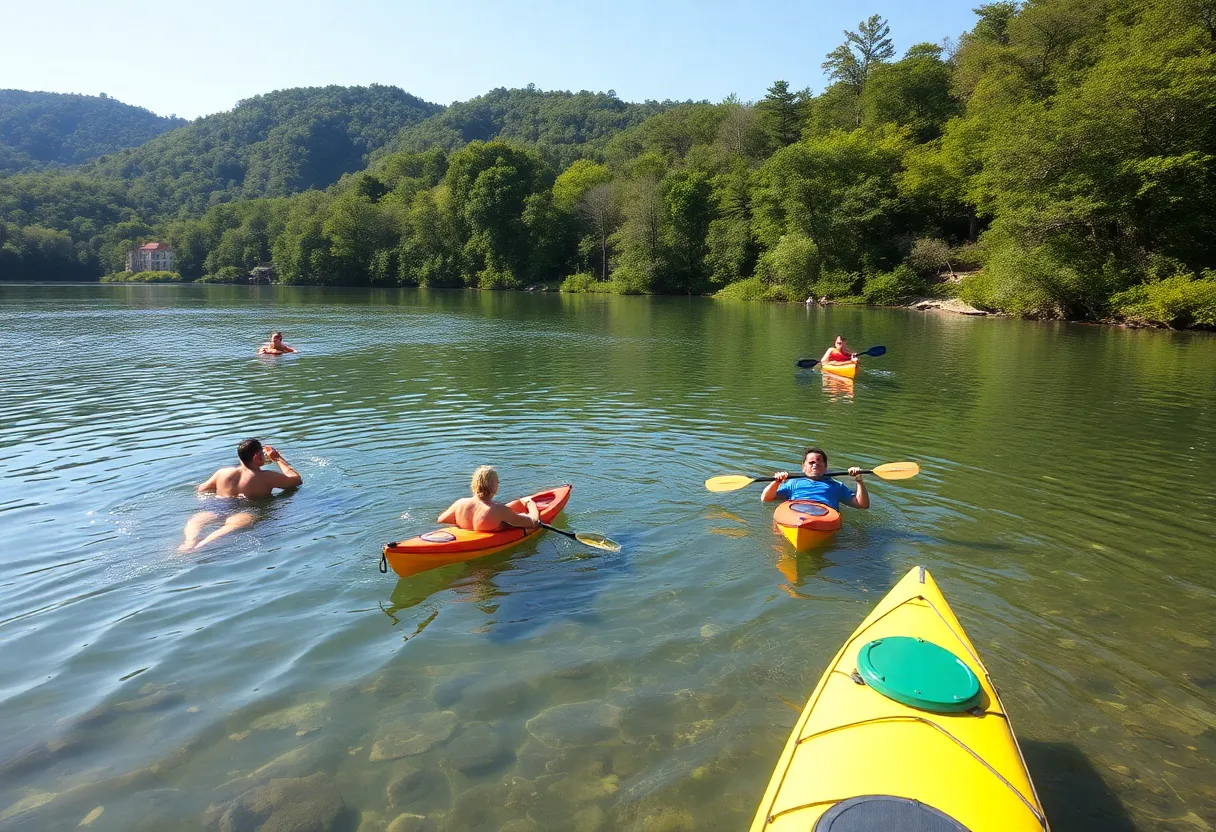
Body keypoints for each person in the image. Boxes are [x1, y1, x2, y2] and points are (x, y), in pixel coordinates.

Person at [178, 438, 303, 552]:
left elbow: (202, 489)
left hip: (219, 505)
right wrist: (277, 459)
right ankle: (201, 545)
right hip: (245, 509)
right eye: (262, 454)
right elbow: (296, 480)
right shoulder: (266, 477)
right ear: (257, 456)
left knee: (196, 521)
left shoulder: (223, 473)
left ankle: (189, 542)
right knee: (232, 525)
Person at [761, 447, 869, 511]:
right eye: (811, 462)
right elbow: (765, 498)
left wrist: (859, 479)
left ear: (825, 467)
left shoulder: (836, 486)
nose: (815, 465)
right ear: (803, 467)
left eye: (819, 462)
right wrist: (776, 482)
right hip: (796, 513)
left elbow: (862, 505)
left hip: (824, 516)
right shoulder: (793, 483)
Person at [438, 466, 540, 532]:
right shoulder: (499, 510)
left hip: (468, 541)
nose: (499, 483)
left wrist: (463, 522)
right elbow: (534, 522)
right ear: (494, 486)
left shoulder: (460, 503)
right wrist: (530, 503)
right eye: (497, 481)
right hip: (489, 546)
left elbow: (441, 520)